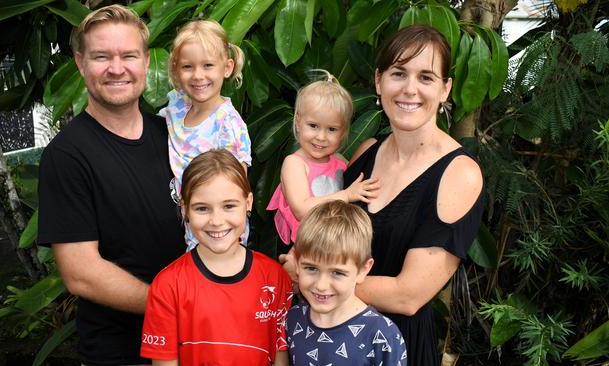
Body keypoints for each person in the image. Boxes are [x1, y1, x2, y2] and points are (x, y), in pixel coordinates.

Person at [37, 5, 186, 365]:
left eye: (129, 55)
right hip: (121, 352)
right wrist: (179, 310)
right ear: (80, 62)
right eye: (102, 56)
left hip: (193, 345)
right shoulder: (67, 155)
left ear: (146, 61)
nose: (117, 68)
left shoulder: (173, 135)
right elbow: (82, 274)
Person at [343, 25, 485, 366]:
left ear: (445, 89)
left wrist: (311, 280)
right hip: (330, 340)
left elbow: (408, 295)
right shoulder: (365, 152)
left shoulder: (459, 174)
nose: (409, 89)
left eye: (426, 77)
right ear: (379, 81)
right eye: (398, 73)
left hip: (395, 348)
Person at [140, 149, 293, 366]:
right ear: (185, 209)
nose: (217, 221)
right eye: (202, 208)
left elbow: (280, 356)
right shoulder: (168, 285)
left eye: (229, 206)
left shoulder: (275, 278)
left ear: (248, 202)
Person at [161, 19, 251, 251]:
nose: (198, 75)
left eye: (208, 65)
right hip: (179, 223)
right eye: (187, 67)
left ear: (227, 67)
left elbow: (235, 186)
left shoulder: (228, 125)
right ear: (175, 69)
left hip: (214, 230)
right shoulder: (177, 107)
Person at [286, 200, 407, 366]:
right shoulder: (293, 319)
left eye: (337, 273)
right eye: (311, 268)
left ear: (363, 270)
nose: (321, 285)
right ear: (297, 263)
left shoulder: (381, 334)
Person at [267, 71, 380, 245]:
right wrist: (346, 195)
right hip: (307, 248)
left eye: (331, 129)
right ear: (298, 121)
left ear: (343, 131)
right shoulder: (295, 164)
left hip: (337, 246)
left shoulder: (341, 163)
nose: (321, 137)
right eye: (313, 126)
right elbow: (301, 209)